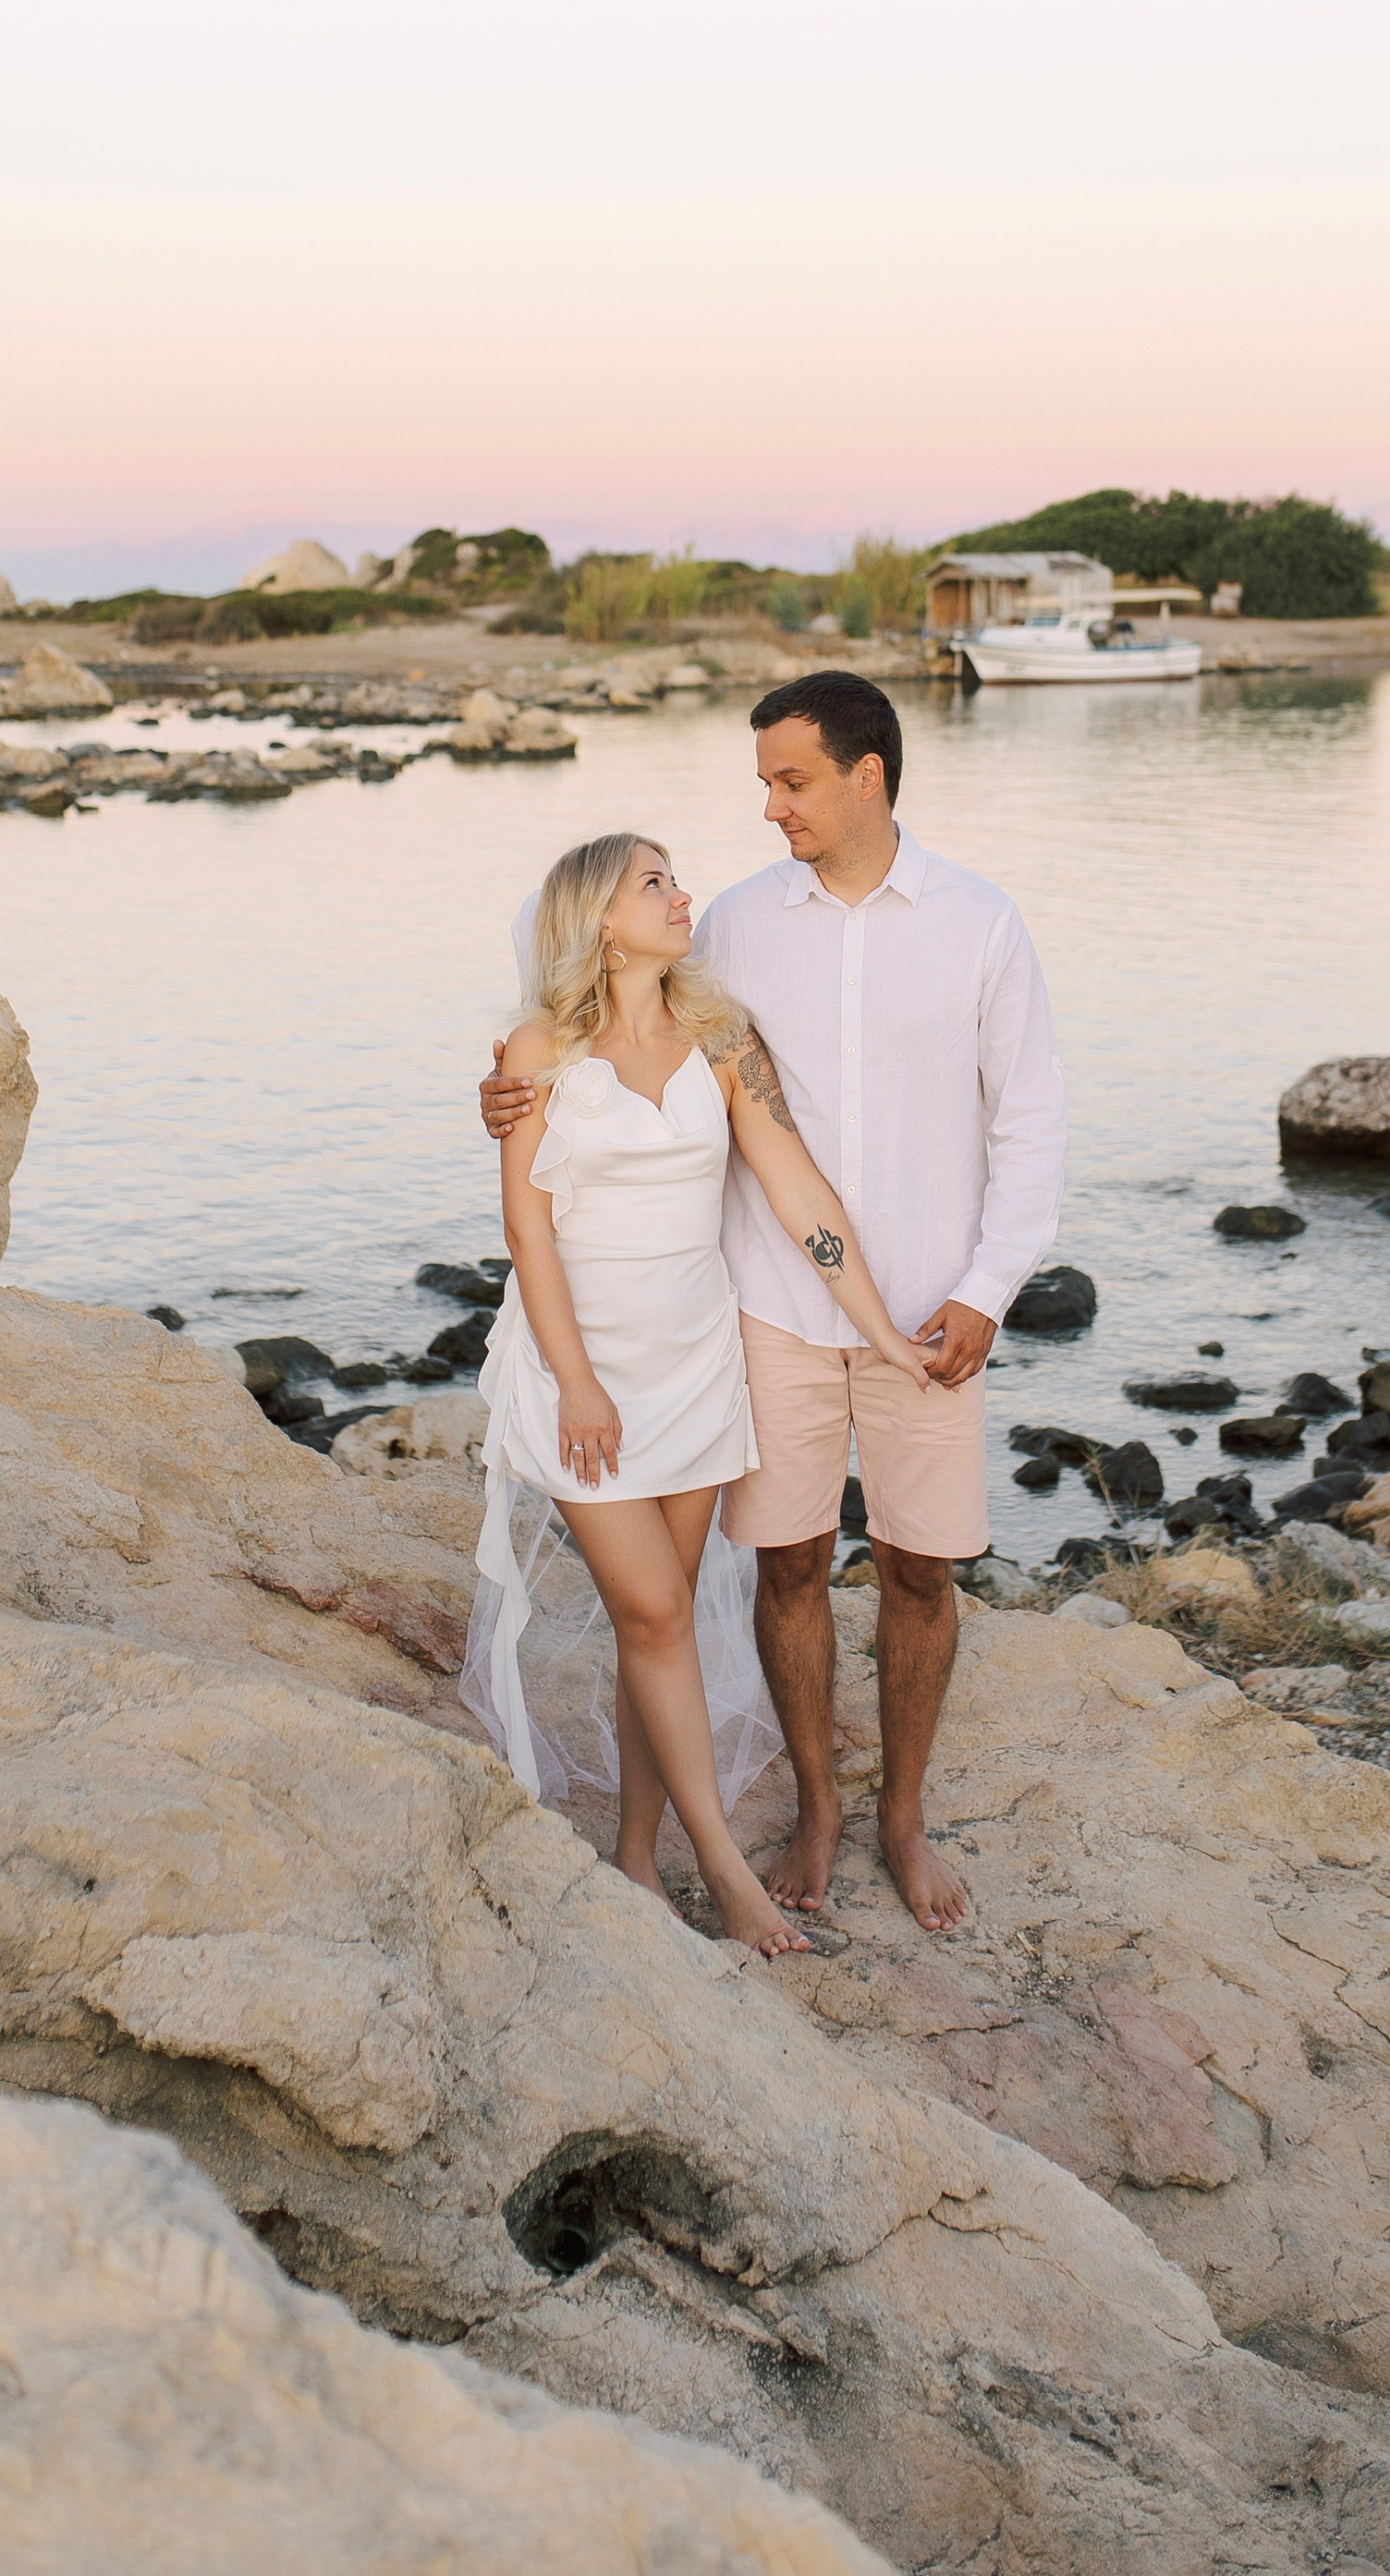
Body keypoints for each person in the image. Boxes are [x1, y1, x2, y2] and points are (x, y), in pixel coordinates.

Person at [484, 673, 1067, 1933]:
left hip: (891, 1318)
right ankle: (795, 1826)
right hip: (737, 1325)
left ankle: (879, 1825)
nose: (768, 809)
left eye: (789, 781)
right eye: (761, 783)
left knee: (910, 1575)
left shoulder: (976, 924)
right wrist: (512, 1111)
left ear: (867, 775)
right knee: (771, 1572)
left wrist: (967, 1301)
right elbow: (544, 1161)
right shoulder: (725, 934)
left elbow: (1017, 1131)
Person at [467, 828, 934, 1961]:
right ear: (598, 917)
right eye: (656, 883)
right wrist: (574, 1380)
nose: (684, 897)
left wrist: (880, 1332)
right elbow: (526, 1227)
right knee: (659, 1616)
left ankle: (636, 1857)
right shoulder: (535, 1051)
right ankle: (724, 1869)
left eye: (676, 879)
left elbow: (795, 1189)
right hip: (579, 1371)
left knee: (653, 1626)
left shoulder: (722, 1040)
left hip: (691, 1368)